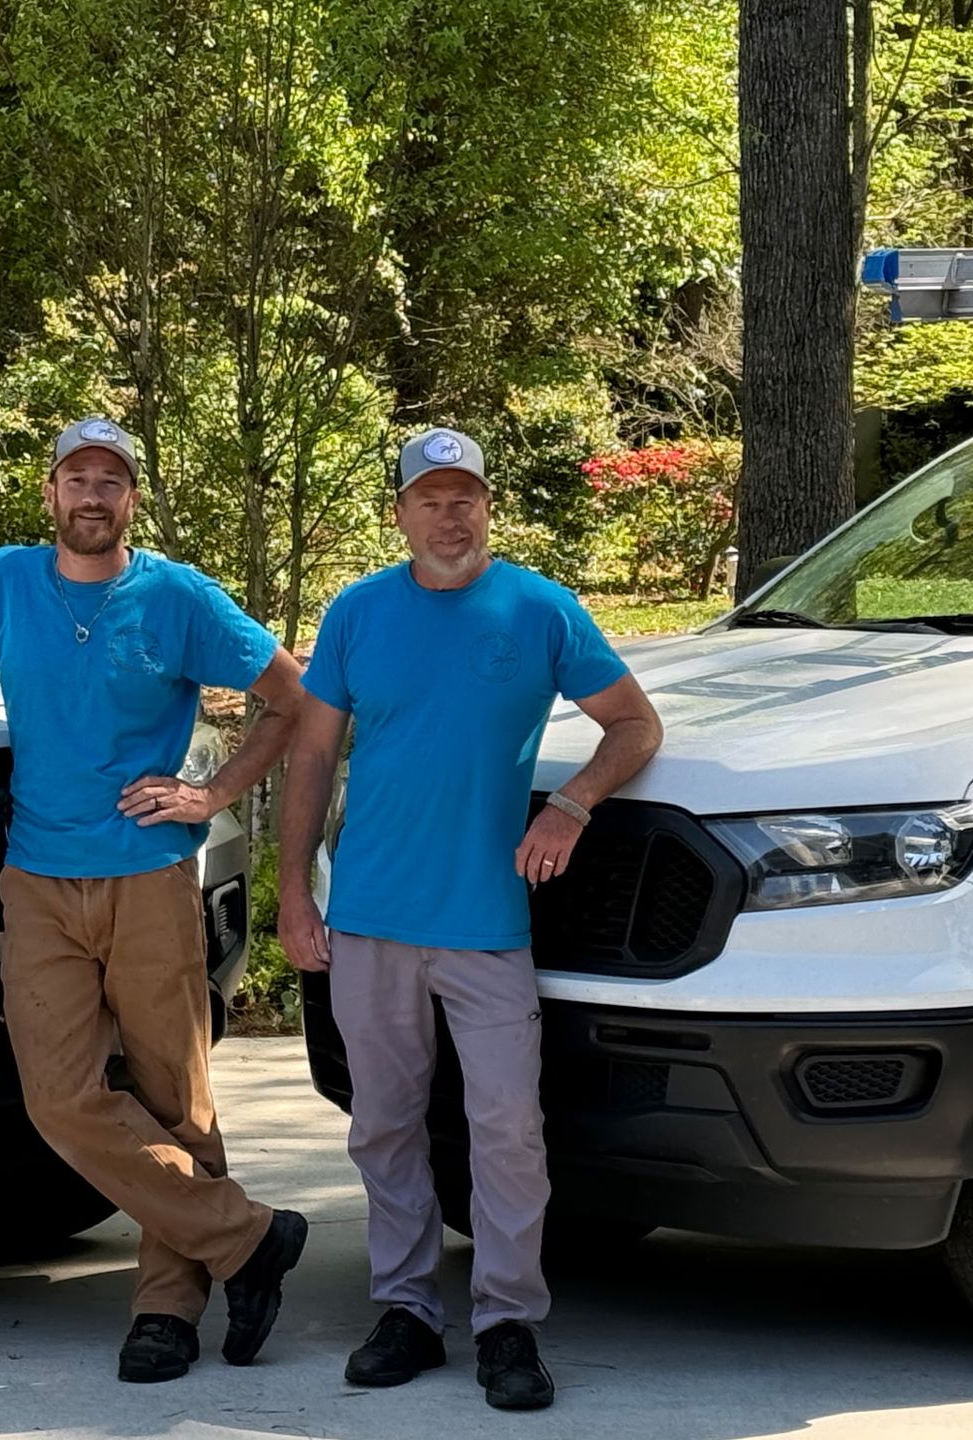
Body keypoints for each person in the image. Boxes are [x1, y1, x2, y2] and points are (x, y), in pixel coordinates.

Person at [0, 416, 310, 1384]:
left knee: (175, 1098)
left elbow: (291, 695)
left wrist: (212, 793)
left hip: (148, 876)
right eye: (76, 478)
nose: (92, 495)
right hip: (37, 876)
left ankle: (166, 1307)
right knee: (61, 1100)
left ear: (131, 498)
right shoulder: (2, 580)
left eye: (110, 481)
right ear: (50, 493)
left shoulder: (176, 597)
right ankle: (247, 1240)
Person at [278, 426, 663, 1411]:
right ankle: (405, 1309)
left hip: (486, 922)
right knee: (386, 1127)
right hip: (368, 915)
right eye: (430, 498)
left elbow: (635, 723)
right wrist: (293, 893)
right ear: (402, 512)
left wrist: (570, 807)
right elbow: (313, 757)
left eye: (467, 497)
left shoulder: (538, 609)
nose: (450, 513)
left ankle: (506, 1324)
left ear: (488, 504)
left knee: (505, 1129)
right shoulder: (360, 611)